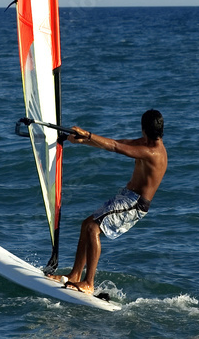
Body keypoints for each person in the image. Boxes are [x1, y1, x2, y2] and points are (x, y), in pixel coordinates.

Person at [47, 109, 167, 295]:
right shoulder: (146, 143)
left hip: (135, 203)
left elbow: (115, 148)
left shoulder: (153, 152)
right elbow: (118, 143)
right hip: (126, 197)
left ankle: (89, 282)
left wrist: (88, 134)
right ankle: (75, 275)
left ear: (144, 129)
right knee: (86, 224)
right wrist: (84, 140)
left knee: (93, 229)